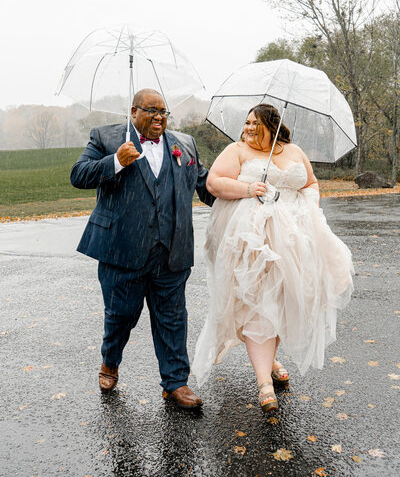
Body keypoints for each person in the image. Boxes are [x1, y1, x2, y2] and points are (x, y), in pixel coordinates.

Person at [192, 104, 354, 413]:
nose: (248, 128)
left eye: (255, 123)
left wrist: (307, 208)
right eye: (247, 122)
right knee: (258, 305)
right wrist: (248, 187)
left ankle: (269, 359)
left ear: (272, 126)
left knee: (281, 303)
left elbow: (310, 184)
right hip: (252, 241)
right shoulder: (237, 150)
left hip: (294, 240)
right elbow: (213, 183)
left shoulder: (294, 152)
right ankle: (264, 380)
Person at [70, 88, 214, 410]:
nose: (159, 117)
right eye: (151, 110)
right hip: (122, 251)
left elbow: (204, 185)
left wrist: (243, 195)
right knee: (120, 316)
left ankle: (176, 382)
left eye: (163, 111)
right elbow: (78, 175)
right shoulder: (106, 138)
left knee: (173, 319)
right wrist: (115, 162)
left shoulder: (184, 144)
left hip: (171, 251)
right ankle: (110, 361)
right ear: (133, 111)